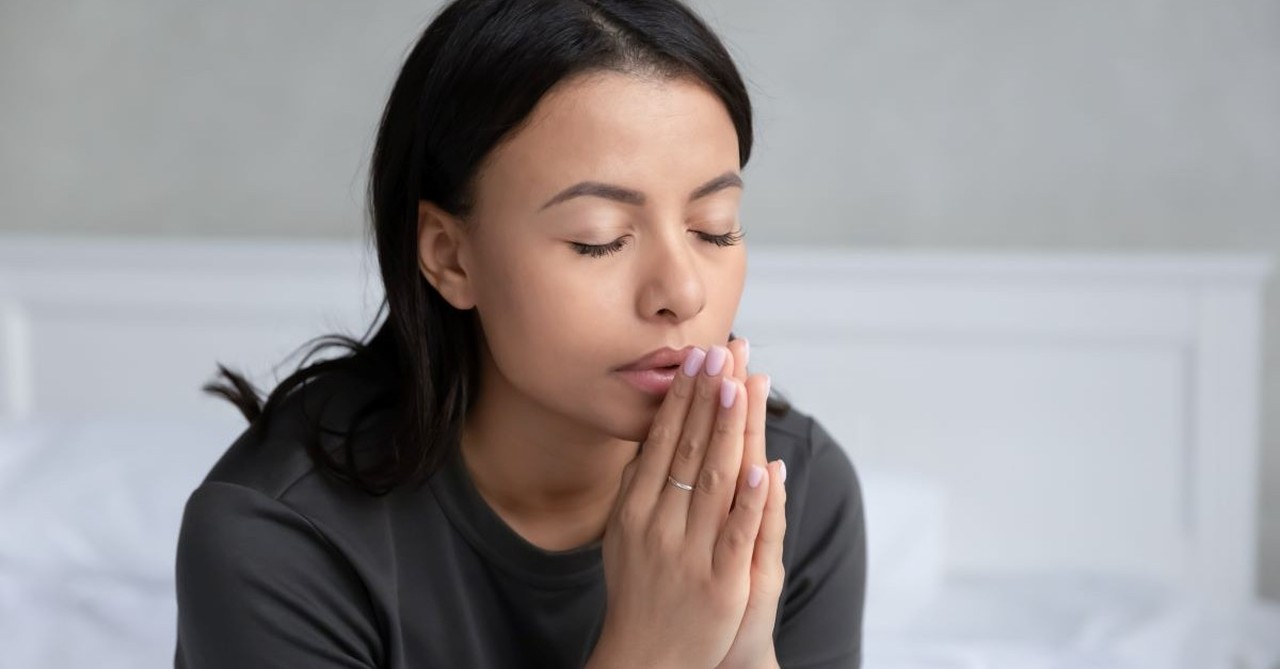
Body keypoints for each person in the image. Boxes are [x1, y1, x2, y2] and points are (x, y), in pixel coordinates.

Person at [174, 0, 866, 667]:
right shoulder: (279, 537)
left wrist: (744, 655)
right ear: (450, 256)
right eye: (599, 240)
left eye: (714, 226)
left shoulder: (790, 487)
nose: (683, 292)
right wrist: (656, 650)